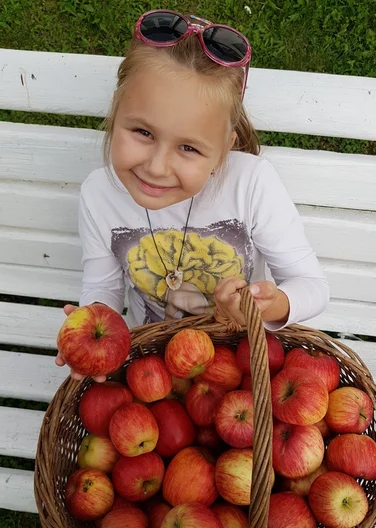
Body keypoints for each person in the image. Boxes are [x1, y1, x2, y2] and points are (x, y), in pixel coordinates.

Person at [56, 9, 329, 383]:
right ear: (116, 112)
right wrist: (92, 328)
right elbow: (103, 285)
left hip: (243, 362)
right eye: (142, 132)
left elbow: (312, 285)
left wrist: (273, 303)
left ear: (223, 150)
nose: (156, 167)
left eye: (188, 148)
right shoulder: (99, 194)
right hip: (152, 363)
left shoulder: (250, 184)